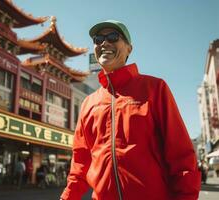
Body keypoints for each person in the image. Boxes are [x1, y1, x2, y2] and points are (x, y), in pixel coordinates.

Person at [60, 20, 201, 200]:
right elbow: (80, 165)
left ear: (129, 49)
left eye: (113, 37)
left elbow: (181, 156)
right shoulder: (88, 103)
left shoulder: (155, 88)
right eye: (98, 39)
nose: (104, 43)